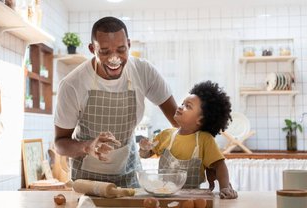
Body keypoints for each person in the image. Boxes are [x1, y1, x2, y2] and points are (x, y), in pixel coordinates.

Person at [54, 16, 178, 188]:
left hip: (129, 175)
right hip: (87, 180)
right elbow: (60, 144)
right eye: (104, 51)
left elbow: (179, 121)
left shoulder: (143, 71)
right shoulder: (72, 84)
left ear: (129, 44)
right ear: (92, 49)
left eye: (121, 50)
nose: (114, 58)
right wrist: (88, 146)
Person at [139, 80, 238, 199]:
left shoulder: (204, 140)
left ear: (200, 120)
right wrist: (144, 149)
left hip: (193, 198)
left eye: (188, 106)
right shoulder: (166, 135)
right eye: (182, 103)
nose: (180, 107)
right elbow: (145, 154)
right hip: (164, 195)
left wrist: (224, 188)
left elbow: (220, 166)